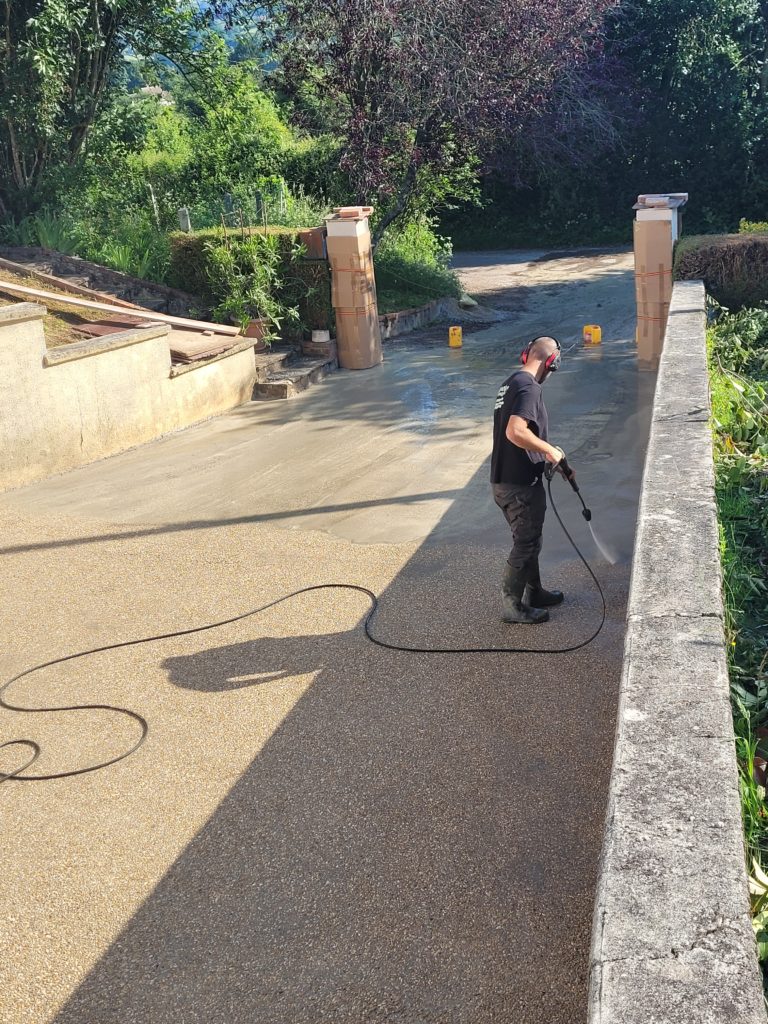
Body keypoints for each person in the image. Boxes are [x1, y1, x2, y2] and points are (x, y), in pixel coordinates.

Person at [490, 336, 574, 625]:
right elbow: (515, 432)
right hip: (518, 486)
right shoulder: (529, 387)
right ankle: (512, 606)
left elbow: (523, 436)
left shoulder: (511, 383)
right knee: (525, 543)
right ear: (552, 362)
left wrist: (553, 460)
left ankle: (534, 593)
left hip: (506, 480)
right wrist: (550, 450)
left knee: (530, 539)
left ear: (526, 354)